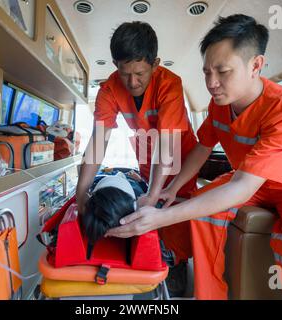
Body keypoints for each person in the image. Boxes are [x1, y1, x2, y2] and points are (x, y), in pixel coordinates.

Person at [106, 14, 282, 300]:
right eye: (207, 72)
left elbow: (242, 187)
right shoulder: (219, 105)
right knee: (200, 213)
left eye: (222, 71)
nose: (212, 83)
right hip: (253, 180)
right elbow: (203, 147)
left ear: (255, 66)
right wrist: (171, 191)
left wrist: (160, 218)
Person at [76, 21, 198, 257]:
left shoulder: (170, 84)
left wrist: (153, 195)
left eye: (140, 74)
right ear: (115, 65)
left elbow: (166, 146)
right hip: (146, 149)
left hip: (177, 151)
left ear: (155, 64)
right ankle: (146, 251)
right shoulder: (109, 90)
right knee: (145, 205)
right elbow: (98, 141)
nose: (132, 83)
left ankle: (175, 261)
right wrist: (81, 192)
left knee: (170, 207)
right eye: (125, 73)